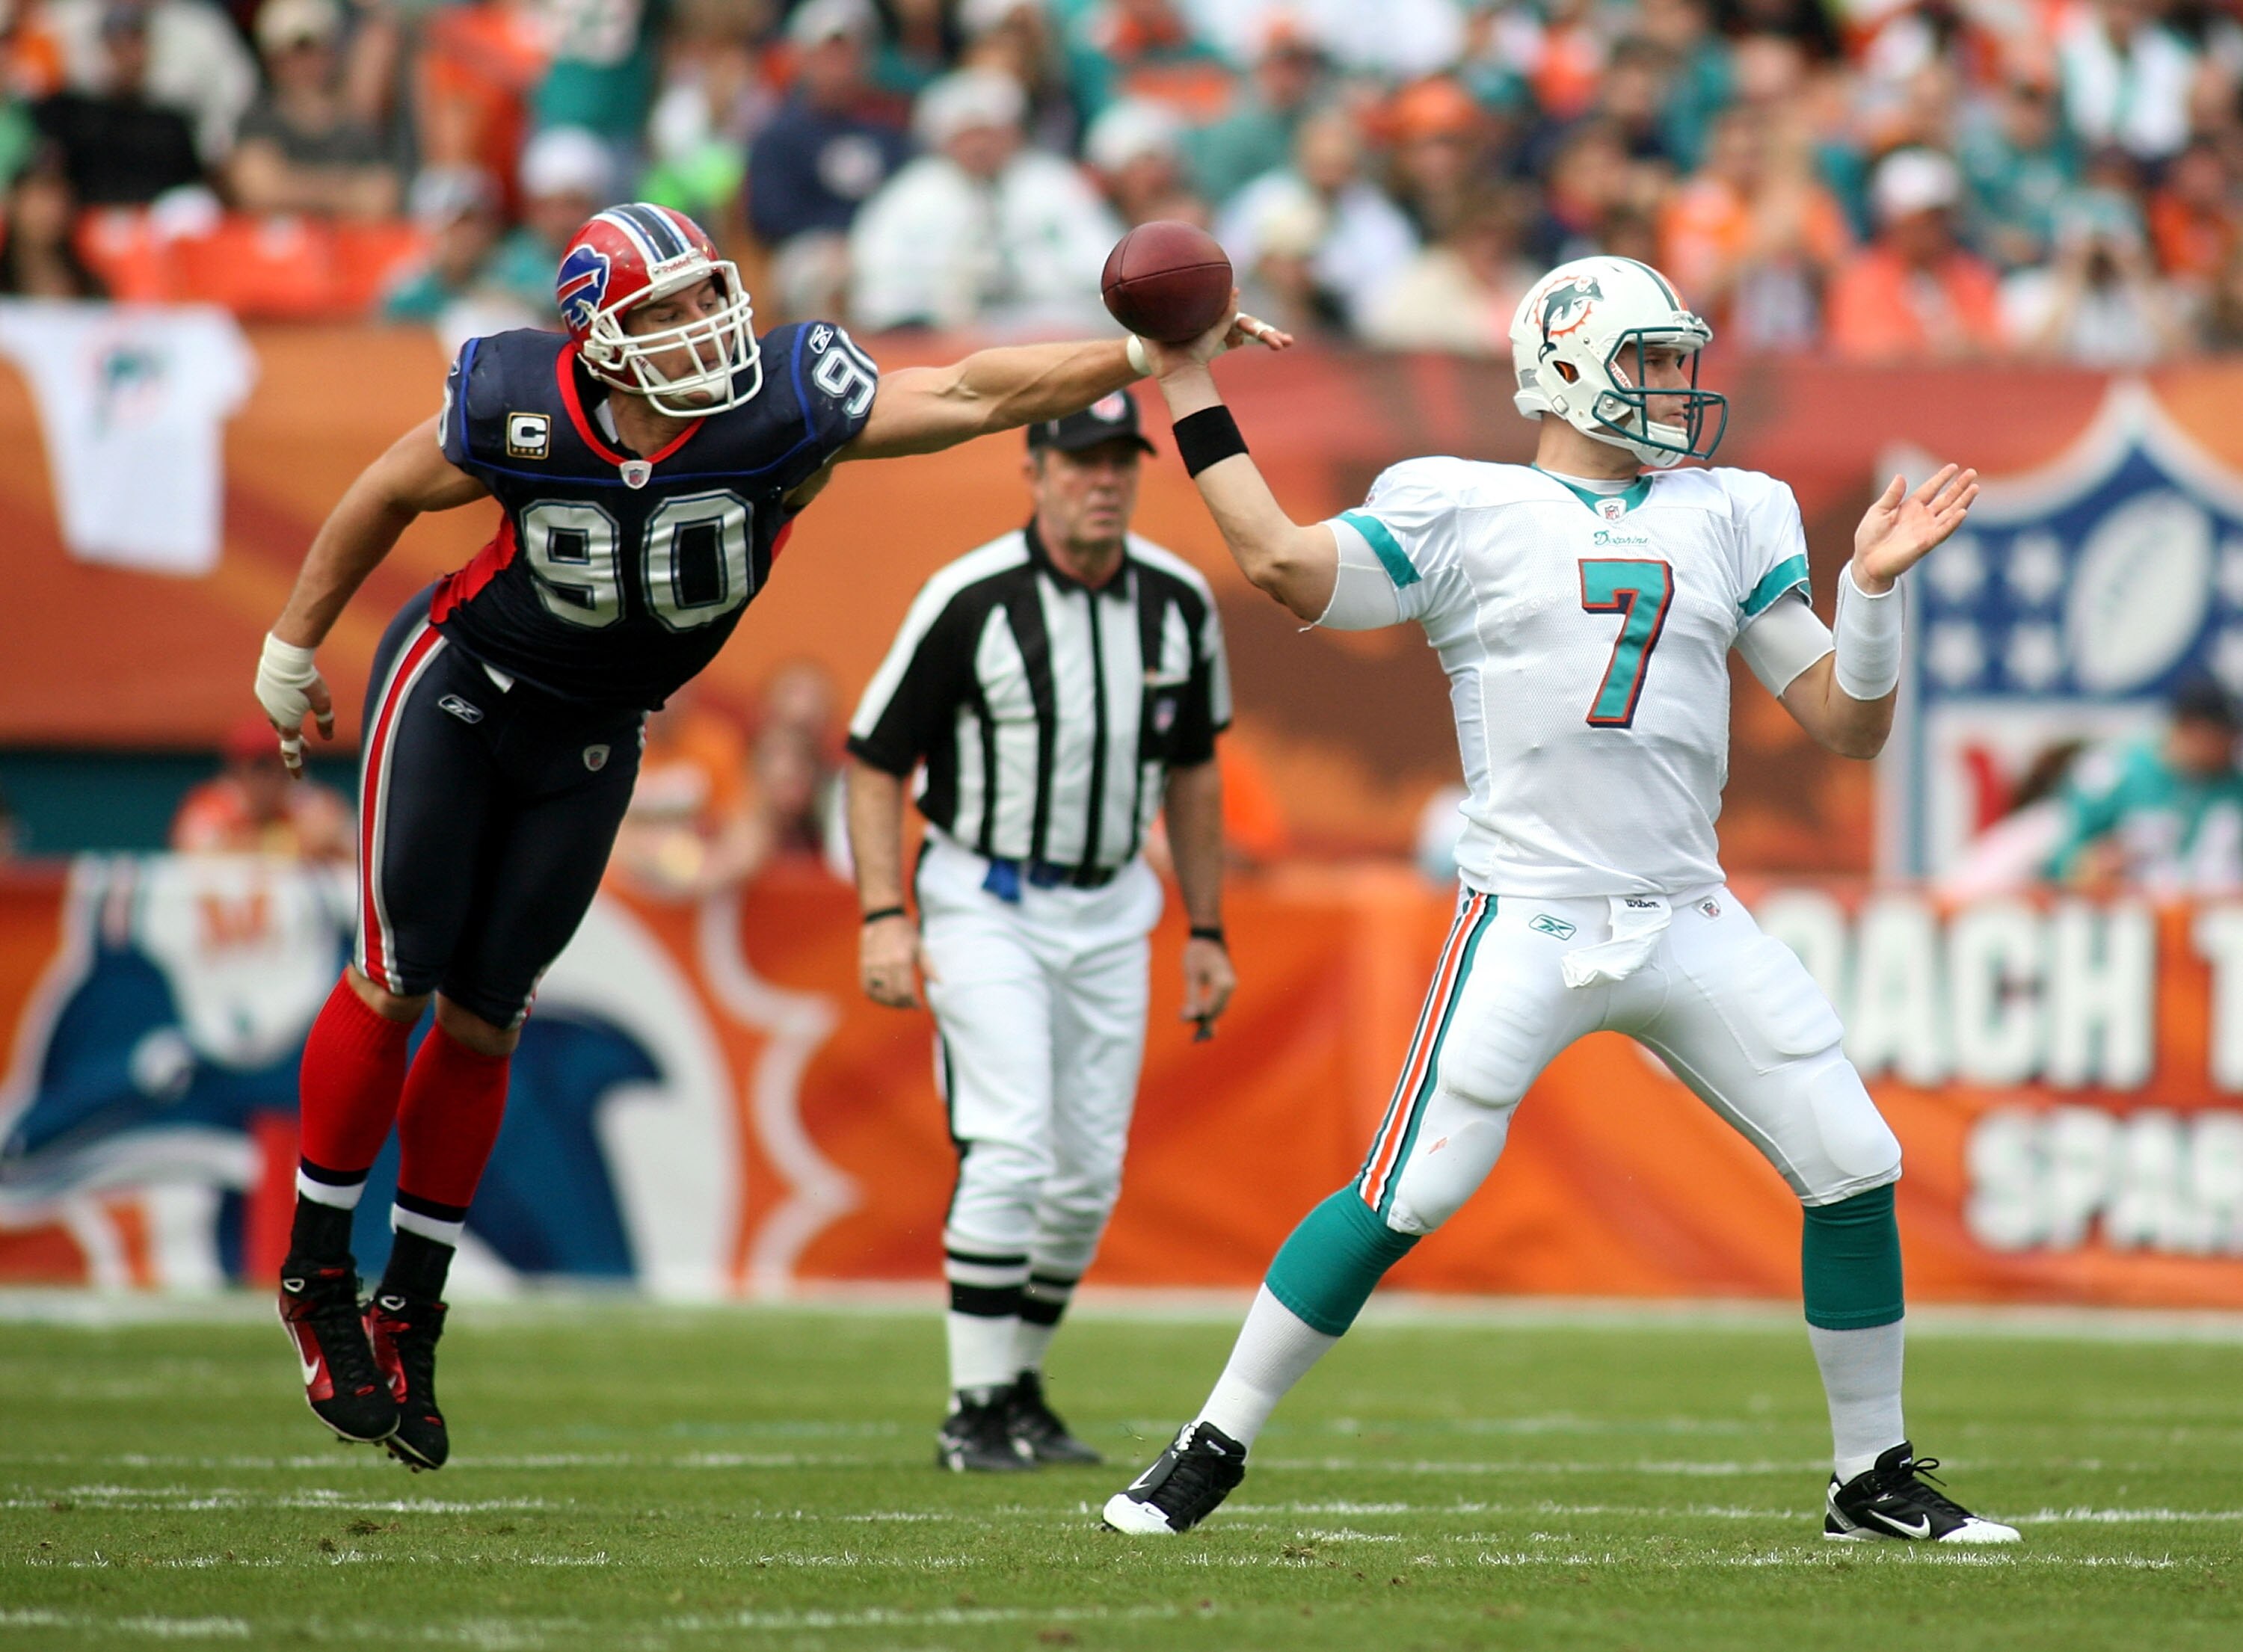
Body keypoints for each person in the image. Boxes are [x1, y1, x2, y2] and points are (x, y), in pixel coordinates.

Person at [250, 199, 1290, 1473]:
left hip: (601, 725)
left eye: (706, 295)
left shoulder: (781, 404)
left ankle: (407, 1305)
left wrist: (1135, 356)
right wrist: (293, 645)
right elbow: (385, 493)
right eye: (666, 311)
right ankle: (315, 1272)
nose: (702, 326)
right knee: (398, 972)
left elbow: (965, 391)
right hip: (465, 687)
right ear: (597, 338)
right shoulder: (520, 399)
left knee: (487, 1011)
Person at [1098, 254, 2020, 1547]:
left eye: (1677, 360)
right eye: (1648, 360)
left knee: (1853, 1162)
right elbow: (1281, 564)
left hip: (1685, 912)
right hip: (1528, 916)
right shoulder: (1461, 505)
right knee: (1404, 1194)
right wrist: (1185, 369)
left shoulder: (1728, 510)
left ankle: (1868, 1478)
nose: (1675, 386)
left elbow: (1845, 727)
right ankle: (1211, 1443)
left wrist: (1872, 594)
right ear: (1569, 365)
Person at [846, 389, 1238, 1472]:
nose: (1102, 479)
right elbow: (876, 757)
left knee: (1086, 1179)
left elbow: (1195, 772)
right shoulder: (968, 597)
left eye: (1121, 460)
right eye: (1080, 460)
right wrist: (887, 912)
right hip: (988, 893)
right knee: (1014, 1143)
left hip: (1115, 903)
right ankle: (971, 1406)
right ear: (1035, 470)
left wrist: (1207, 925)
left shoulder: (1178, 601)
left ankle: (1015, 1387)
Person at [848, 67, 1120, 334]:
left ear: (1013, 133)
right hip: (940, 333)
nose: (979, 147)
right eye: (967, 136)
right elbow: (878, 270)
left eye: (988, 133)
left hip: (1045, 325)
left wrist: (1032, 278)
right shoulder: (912, 193)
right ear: (943, 141)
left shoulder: (1056, 184)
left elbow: (1101, 263)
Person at [2046, 676, 2243, 896]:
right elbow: (2059, 852)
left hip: (2223, 918)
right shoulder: (2115, 773)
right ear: (2188, 727)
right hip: (2129, 916)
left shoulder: (2235, 784)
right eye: (2222, 735)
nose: (2231, 745)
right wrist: (2088, 865)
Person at [225, 0, 397, 219]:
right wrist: (346, 193)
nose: (303, 64)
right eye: (293, 53)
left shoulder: (353, 129)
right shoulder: (257, 119)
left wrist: (287, 184)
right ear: (271, 58)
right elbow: (256, 189)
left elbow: (381, 197)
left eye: (313, 50)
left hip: (340, 249)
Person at [1826, 147, 2001, 361]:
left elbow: (1996, 342)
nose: (1933, 230)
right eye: (1921, 220)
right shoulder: (1863, 279)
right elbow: (1860, 347)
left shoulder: (1970, 274)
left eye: (1939, 218)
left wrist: (1968, 346)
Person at [171, 714, 353, 860]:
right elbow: (194, 850)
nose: (273, 777)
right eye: (262, 766)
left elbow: (345, 843)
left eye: (285, 764)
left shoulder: (305, 800)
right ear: (238, 771)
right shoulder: (216, 803)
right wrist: (286, 843)